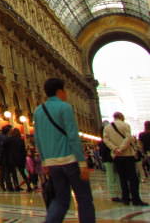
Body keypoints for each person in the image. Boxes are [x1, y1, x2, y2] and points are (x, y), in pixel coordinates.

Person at [34, 77, 95, 222]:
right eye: (64, 91)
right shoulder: (65, 107)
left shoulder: (38, 110)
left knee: (61, 200)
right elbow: (73, 136)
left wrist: (44, 161)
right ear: (60, 91)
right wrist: (82, 162)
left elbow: (38, 139)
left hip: (52, 164)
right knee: (84, 198)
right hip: (71, 160)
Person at [103, 112, 148, 206]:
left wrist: (115, 149)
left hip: (117, 156)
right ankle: (136, 199)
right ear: (121, 117)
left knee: (122, 178)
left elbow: (106, 140)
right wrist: (121, 148)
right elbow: (128, 138)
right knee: (133, 178)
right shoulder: (125, 125)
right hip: (127, 155)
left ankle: (125, 199)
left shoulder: (107, 128)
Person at [100, 121, 121, 202]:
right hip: (109, 160)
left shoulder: (105, 141)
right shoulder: (105, 141)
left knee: (114, 176)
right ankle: (114, 194)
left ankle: (117, 193)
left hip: (111, 159)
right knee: (112, 176)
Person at [0, 124, 12, 191]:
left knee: (2, 171)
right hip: (5, 156)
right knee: (6, 171)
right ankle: (8, 185)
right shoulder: (6, 138)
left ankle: (2, 184)